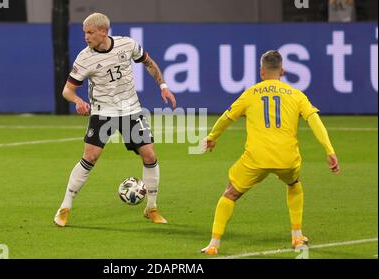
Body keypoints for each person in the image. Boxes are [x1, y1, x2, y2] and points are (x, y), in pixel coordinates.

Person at [200, 50, 340, 255]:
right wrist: (329, 150)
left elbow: (227, 117)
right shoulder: (296, 95)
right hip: (287, 159)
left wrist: (212, 137)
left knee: (230, 193)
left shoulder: (250, 93)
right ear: (282, 71)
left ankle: (214, 244)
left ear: (261, 72)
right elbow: (314, 121)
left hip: (255, 159)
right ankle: (297, 235)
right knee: (294, 184)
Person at [54, 12, 176, 227]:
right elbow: (67, 90)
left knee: (149, 154)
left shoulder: (127, 45)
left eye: (90, 32)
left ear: (103, 31)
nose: (86, 37)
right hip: (103, 112)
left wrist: (163, 86)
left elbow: (148, 62)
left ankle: (152, 207)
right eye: (85, 33)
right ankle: (64, 207)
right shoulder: (85, 58)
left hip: (131, 110)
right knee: (90, 158)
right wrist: (78, 101)